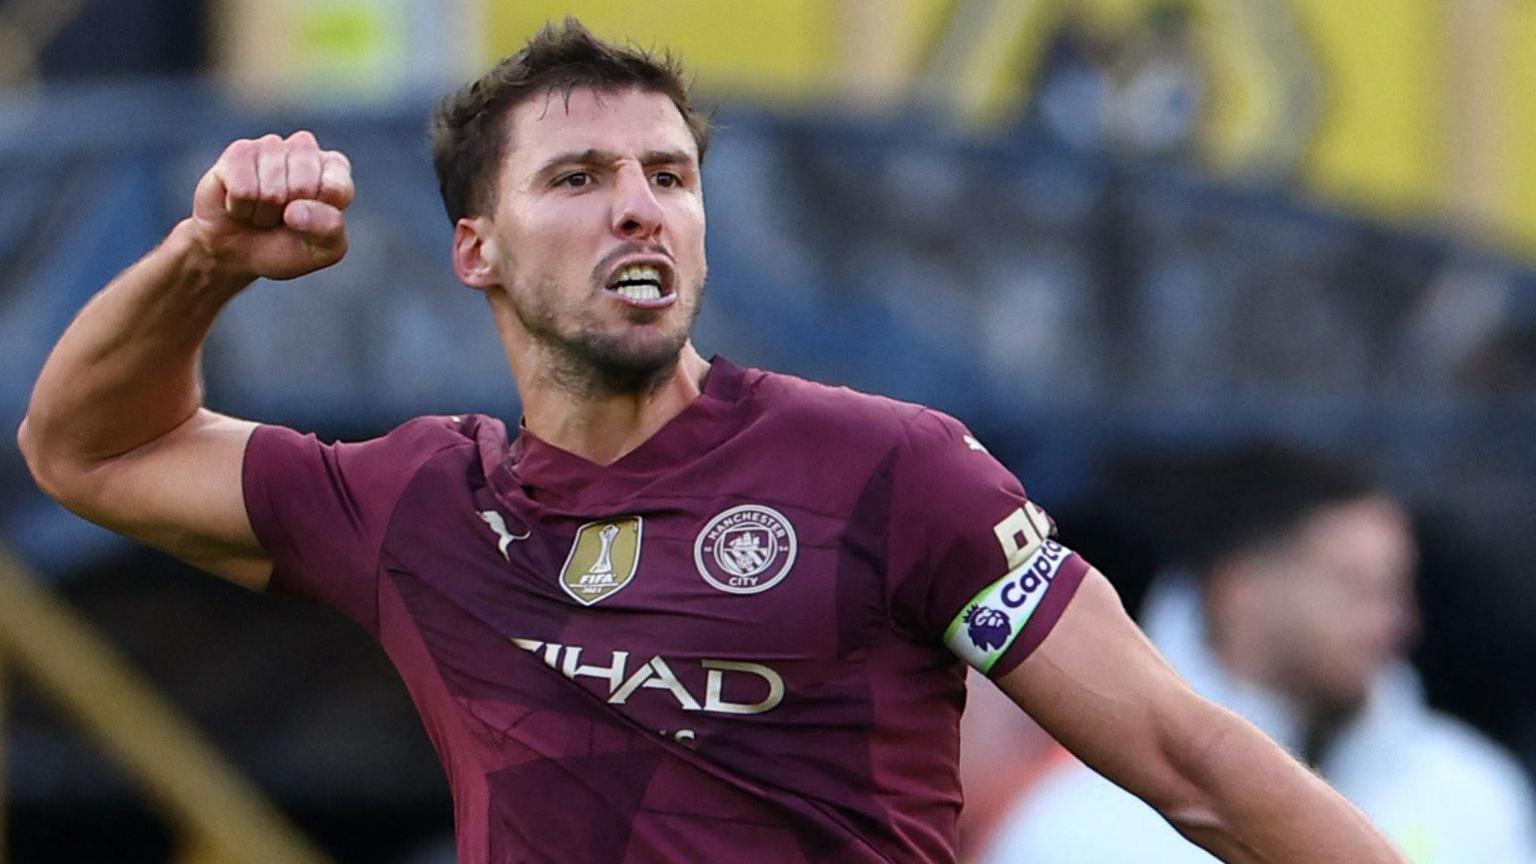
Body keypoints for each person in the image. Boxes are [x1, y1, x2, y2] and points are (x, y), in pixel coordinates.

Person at [18, 19, 1407, 864]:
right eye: (579, 178)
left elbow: (1191, 759)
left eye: (668, 177)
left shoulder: (898, 470)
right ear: (473, 250)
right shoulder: (421, 503)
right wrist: (205, 258)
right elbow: (89, 452)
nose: (642, 209)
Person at [980, 444, 1536, 863]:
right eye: (1354, 586)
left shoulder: (1476, 792)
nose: (1395, 622)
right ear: (1240, 590)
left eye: (1393, 588)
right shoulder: (1074, 828)